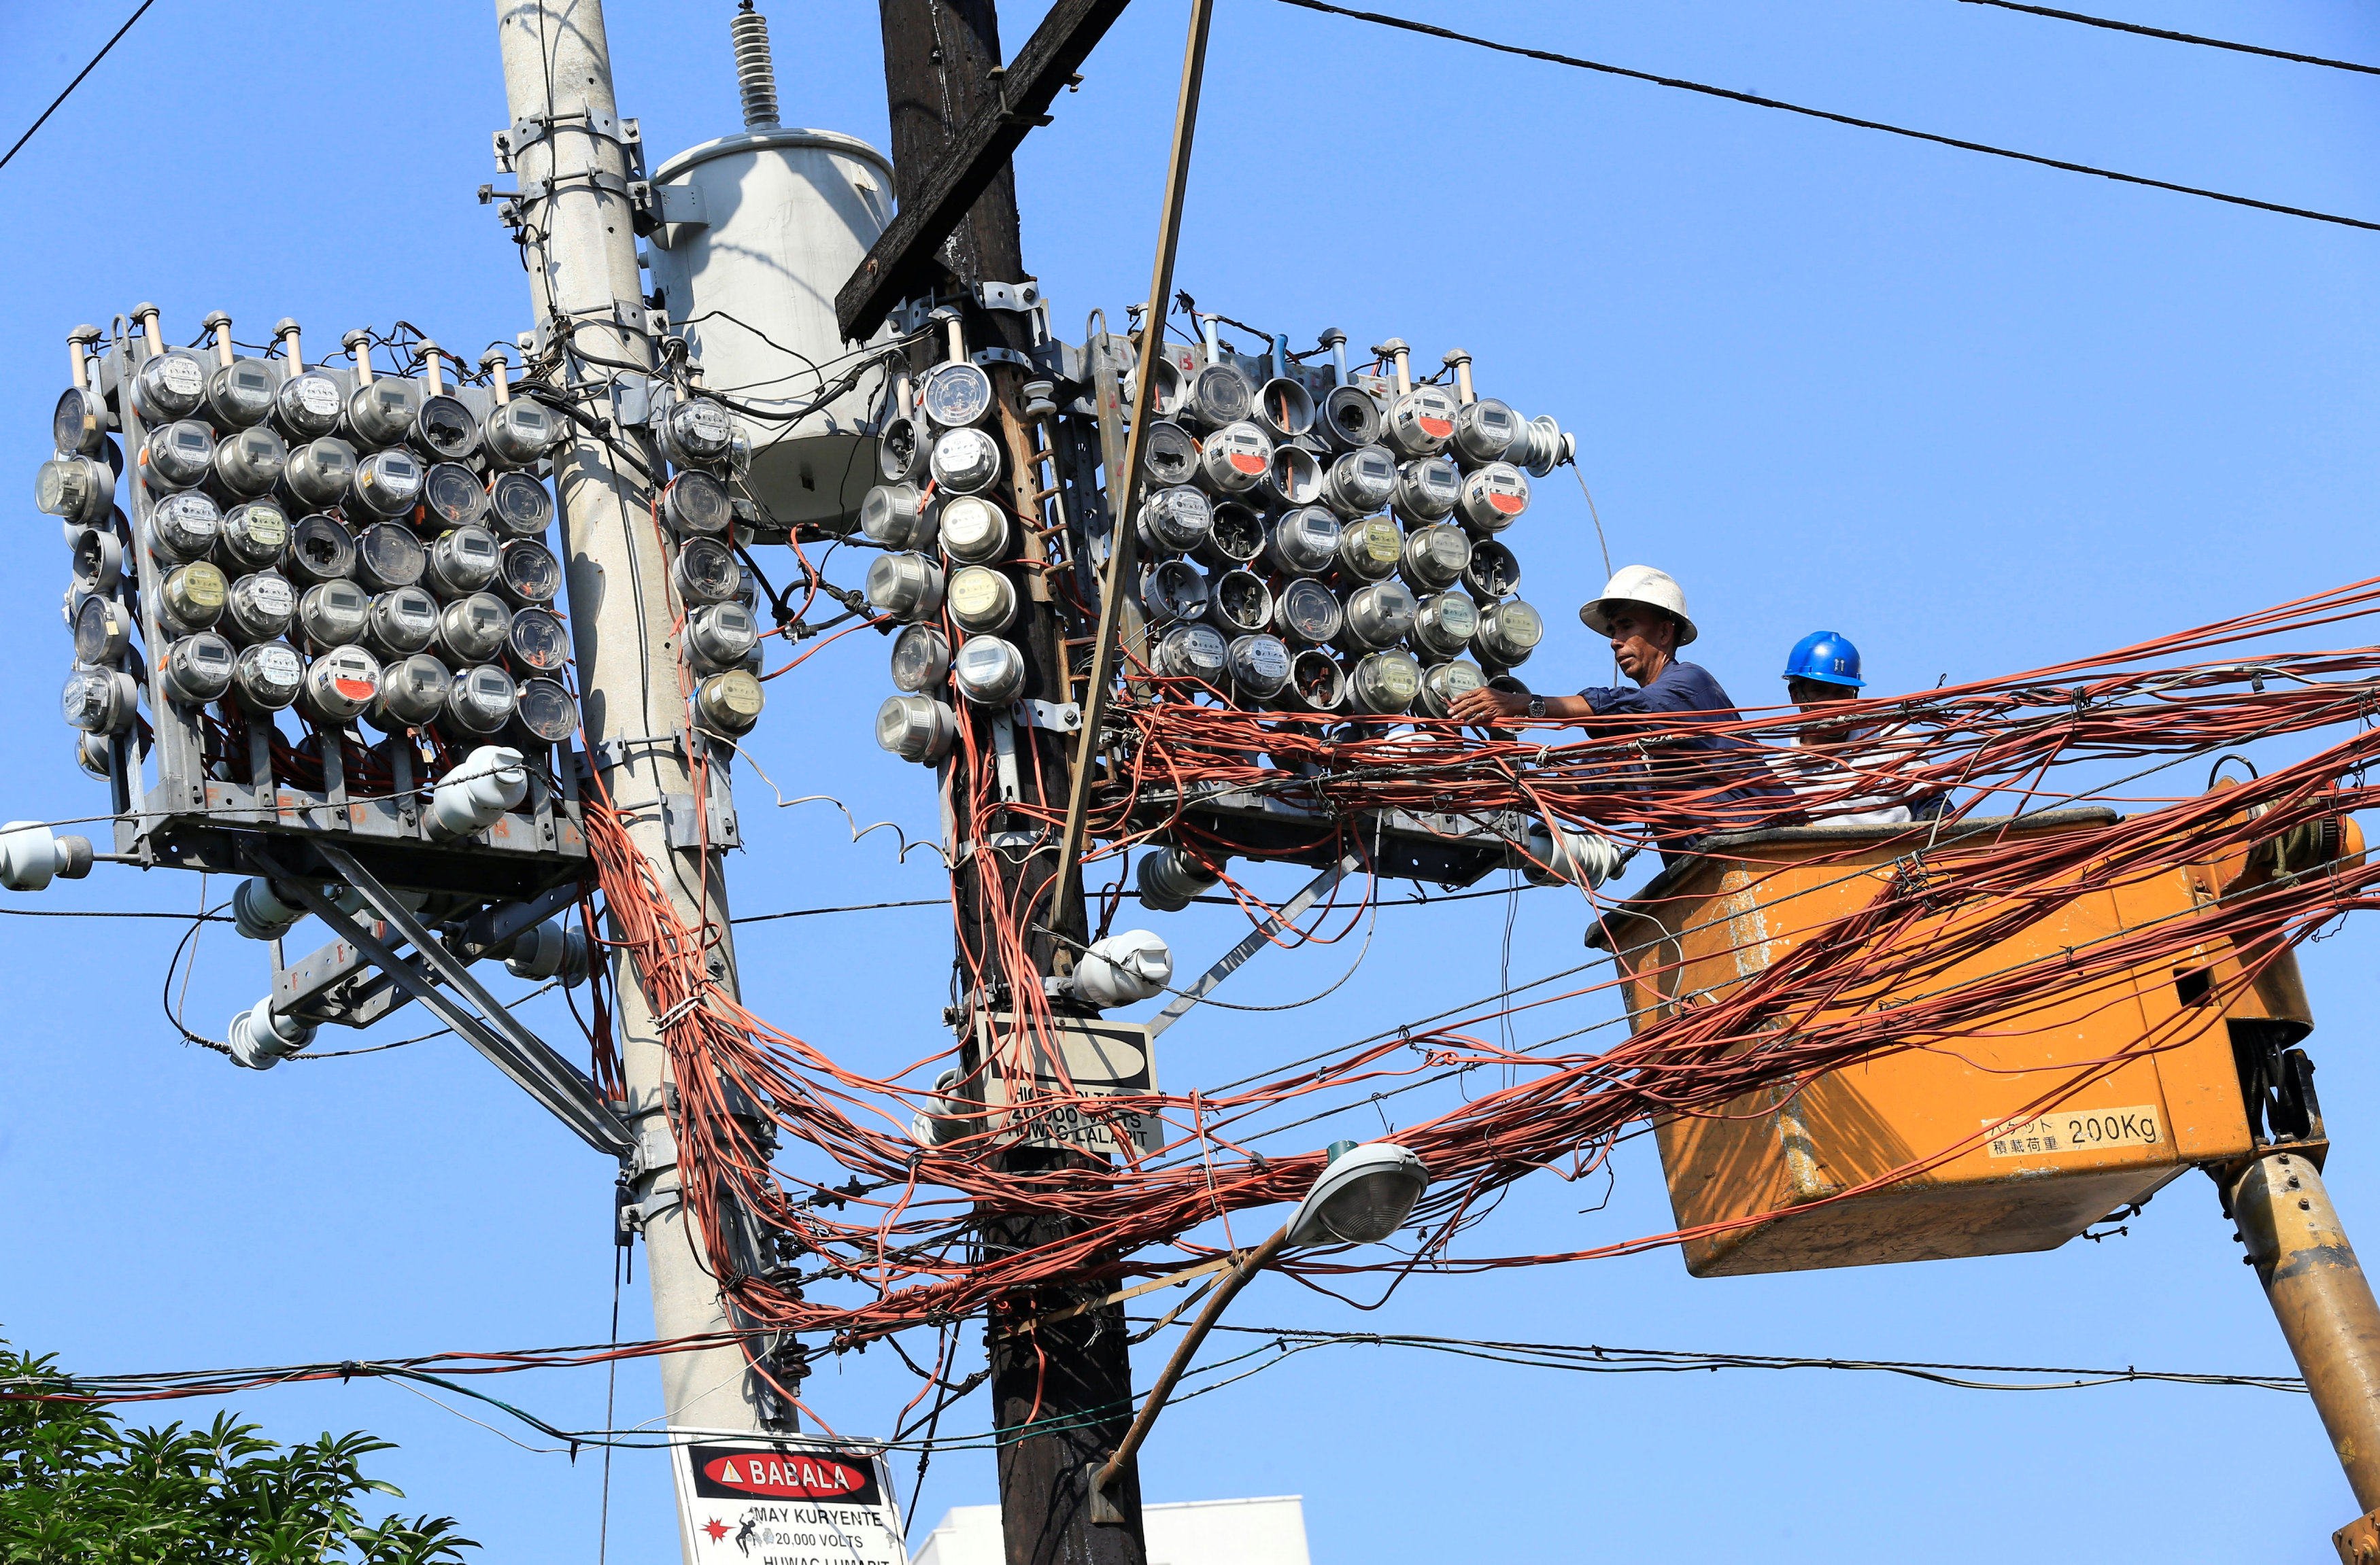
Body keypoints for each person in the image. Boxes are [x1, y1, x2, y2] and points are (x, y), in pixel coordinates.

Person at [1450, 564, 1786, 855]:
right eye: (1613, 631)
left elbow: (1624, 706)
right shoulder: (1644, 744)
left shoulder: (1689, 685)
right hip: (1721, 869)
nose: (1614, 640)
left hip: (1778, 850)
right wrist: (1494, 778)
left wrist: (1523, 705)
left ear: (1666, 631)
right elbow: (1594, 782)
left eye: (1626, 627)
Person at [1769, 630, 1941, 825]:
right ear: (1796, 696)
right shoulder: (1778, 774)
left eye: (1842, 692)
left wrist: (1935, 814)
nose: (1833, 703)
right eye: (1820, 690)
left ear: (1855, 695)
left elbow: (1931, 800)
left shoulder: (1894, 742)